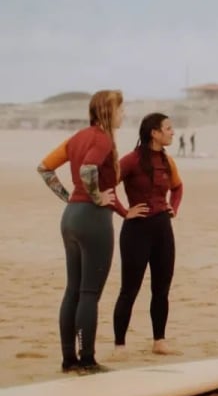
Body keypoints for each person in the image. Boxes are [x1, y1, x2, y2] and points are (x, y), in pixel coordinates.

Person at [36, 90, 148, 374]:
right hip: (93, 220)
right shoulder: (102, 139)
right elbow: (88, 169)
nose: (124, 114)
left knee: (72, 291)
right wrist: (96, 197)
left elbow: (45, 168)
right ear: (109, 111)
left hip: (71, 217)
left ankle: (69, 359)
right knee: (89, 294)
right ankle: (87, 360)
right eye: (121, 109)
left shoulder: (78, 137)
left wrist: (71, 198)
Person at [112, 113, 184, 357]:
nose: (172, 132)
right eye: (168, 128)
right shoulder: (131, 160)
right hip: (136, 230)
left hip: (162, 229)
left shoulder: (167, 161)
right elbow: (106, 185)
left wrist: (174, 206)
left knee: (161, 289)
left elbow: (178, 187)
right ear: (154, 132)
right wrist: (124, 211)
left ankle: (159, 341)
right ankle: (120, 345)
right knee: (129, 289)